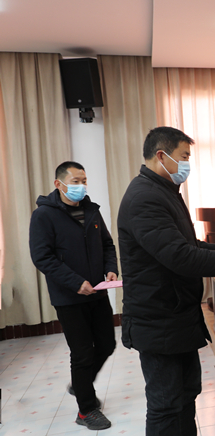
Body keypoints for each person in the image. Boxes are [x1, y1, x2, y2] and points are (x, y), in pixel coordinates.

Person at [117, 126, 215, 435]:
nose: (187, 164)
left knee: (186, 394)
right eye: (184, 157)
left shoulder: (163, 191)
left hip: (176, 316)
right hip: (159, 319)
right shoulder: (144, 198)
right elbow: (179, 256)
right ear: (161, 155)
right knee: (166, 405)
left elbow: (188, 244)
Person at [29, 161, 117, 431]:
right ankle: (85, 410)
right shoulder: (44, 215)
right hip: (68, 297)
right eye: (75, 181)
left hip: (97, 293)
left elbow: (107, 244)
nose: (81, 186)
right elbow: (42, 257)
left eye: (84, 181)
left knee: (107, 345)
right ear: (59, 184)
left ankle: (81, 384)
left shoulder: (91, 210)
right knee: (82, 354)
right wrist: (75, 282)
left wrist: (110, 269)